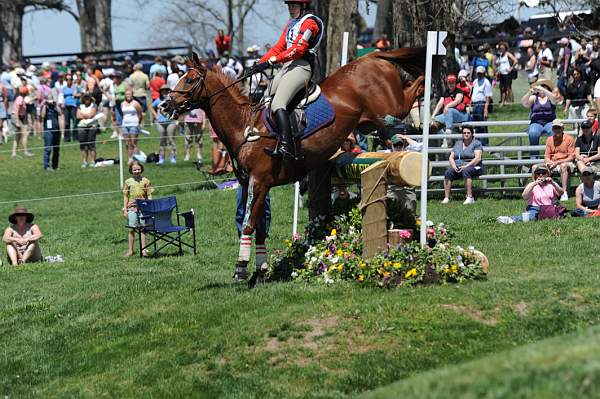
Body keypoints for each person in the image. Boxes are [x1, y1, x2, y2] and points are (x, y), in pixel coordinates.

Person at [251, 0, 324, 160]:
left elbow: (297, 50)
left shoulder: (310, 23)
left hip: (302, 66)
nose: (291, 8)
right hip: (288, 66)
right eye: (289, 5)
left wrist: (273, 61)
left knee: (278, 104)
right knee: (265, 99)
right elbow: (278, 47)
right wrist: (260, 62)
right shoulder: (291, 24)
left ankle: (287, 147)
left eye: (294, 5)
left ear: (303, 6)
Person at [497, 165, 563, 223]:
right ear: (535, 175)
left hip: (549, 208)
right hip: (535, 208)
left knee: (557, 216)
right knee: (531, 217)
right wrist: (535, 183)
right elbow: (524, 196)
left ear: (547, 174)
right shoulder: (532, 185)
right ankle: (510, 219)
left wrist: (553, 183)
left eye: (543, 173)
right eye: (538, 173)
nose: (541, 175)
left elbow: (561, 193)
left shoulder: (551, 184)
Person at [531, 120, 575, 201]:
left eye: (559, 128)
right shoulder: (549, 139)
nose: (557, 130)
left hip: (566, 162)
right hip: (552, 162)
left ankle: (564, 192)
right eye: (555, 128)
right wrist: (548, 162)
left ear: (562, 129)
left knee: (563, 166)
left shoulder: (569, 138)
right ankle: (535, 190)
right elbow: (547, 156)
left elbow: (571, 157)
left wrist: (557, 162)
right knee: (534, 167)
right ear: (552, 129)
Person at [442, 125, 483, 205]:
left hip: (474, 166)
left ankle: (470, 197)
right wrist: (454, 166)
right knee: (448, 172)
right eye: (464, 133)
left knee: (466, 171)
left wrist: (466, 166)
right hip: (458, 166)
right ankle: (446, 197)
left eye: (468, 133)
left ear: (472, 133)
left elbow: (478, 158)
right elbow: (451, 157)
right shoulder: (458, 143)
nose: (466, 134)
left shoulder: (476, 143)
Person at [521, 79, 560, 159]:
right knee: (533, 133)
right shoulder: (534, 98)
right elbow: (524, 103)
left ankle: (553, 156)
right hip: (536, 122)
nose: (542, 89)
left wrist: (543, 90)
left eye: (545, 87)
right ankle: (534, 158)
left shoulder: (550, 97)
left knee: (553, 132)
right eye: (541, 87)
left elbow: (555, 99)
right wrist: (529, 93)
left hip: (549, 122)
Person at [123, 161, 153, 257]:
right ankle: (130, 250)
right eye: (134, 169)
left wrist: (150, 207)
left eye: (138, 169)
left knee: (143, 229)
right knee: (131, 229)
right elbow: (125, 196)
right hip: (132, 208)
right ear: (131, 170)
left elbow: (149, 195)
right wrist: (125, 210)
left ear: (142, 169)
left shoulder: (146, 181)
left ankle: (144, 250)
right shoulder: (128, 182)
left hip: (143, 208)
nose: (136, 171)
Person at [431, 74, 469, 146]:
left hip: (461, 115)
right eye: (449, 82)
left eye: (453, 82)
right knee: (435, 120)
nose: (451, 84)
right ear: (447, 83)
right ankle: (444, 136)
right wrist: (433, 115)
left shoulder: (459, 91)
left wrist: (447, 106)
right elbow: (439, 104)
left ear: (455, 83)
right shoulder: (445, 92)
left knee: (450, 110)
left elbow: (457, 101)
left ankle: (448, 130)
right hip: (448, 115)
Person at [151, 84, 177, 164]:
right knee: (162, 140)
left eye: (166, 90)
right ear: (160, 92)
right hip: (160, 122)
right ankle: (162, 157)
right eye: (163, 90)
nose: (164, 92)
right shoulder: (158, 100)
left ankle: (173, 157)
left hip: (170, 122)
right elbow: (151, 107)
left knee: (171, 139)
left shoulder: (171, 100)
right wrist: (155, 116)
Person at [470, 66, 492, 145]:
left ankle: (484, 143)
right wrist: (470, 105)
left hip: (481, 105)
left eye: (481, 74)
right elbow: (472, 94)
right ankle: (477, 142)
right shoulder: (475, 81)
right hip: (474, 104)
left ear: (483, 74)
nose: (479, 75)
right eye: (478, 73)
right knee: (475, 125)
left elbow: (488, 97)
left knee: (482, 125)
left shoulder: (486, 82)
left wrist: (485, 110)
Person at [121, 88, 143, 164]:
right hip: (125, 125)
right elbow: (123, 114)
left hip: (134, 124)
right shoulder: (122, 104)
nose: (128, 96)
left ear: (132, 95)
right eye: (127, 94)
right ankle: (129, 158)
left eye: (129, 94)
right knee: (127, 142)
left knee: (133, 142)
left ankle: (135, 157)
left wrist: (138, 123)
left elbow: (140, 114)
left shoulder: (135, 103)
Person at [76, 93, 98, 168]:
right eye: (85, 98)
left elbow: (91, 114)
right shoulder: (80, 106)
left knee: (91, 144)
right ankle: (84, 161)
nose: (86, 100)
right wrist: (86, 115)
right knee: (83, 144)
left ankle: (93, 160)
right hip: (82, 126)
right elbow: (78, 116)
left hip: (92, 126)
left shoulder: (94, 105)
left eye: (88, 98)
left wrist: (84, 115)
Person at [42, 89, 61, 171]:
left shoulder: (55, 107)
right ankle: (47, 166)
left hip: (56, 130)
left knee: (56, 149)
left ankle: (55, 165)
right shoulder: (45, 107)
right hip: (48, 130)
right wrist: (45, 105)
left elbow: (60, 113)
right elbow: (42, 116)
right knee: (48, 149)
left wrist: (56, 104)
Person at [12, 86, 33, 158]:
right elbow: (17, 110)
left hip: (19, 118)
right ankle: (26, 152)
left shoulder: (20, 98)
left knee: (17, 136)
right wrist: (17, 121)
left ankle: (14, 153)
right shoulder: (20, 98)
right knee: (25, 134)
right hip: (17, 118)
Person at [495, 42, 518, 107]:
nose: (501, 49)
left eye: (503, 48)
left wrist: (511, 68)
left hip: (507, 74)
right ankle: (502, 102)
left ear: (505, 48)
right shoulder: (500, 55)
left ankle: (510, 102)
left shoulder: (508, 54)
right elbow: (498, 64)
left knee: (508, 88)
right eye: (500, 48)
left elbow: (515, 61)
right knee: (502, 88)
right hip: (501, 73)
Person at [63, 74, 79, 142]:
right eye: (67, 80)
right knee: (66, 122)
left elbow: (78, 94)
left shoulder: (75, 87)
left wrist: (75, 94)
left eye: (70, 80)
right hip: (66, 106)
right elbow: (62, 97)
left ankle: (75, 137)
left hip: (73, 106)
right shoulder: (64, 88)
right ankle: (67, 138)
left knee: (75, 121)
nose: (69, 81)